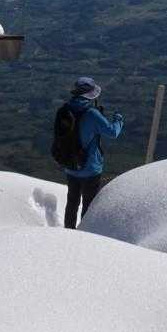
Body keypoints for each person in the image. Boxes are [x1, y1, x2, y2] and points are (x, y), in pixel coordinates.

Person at [56, 76, 124, 229]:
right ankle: (84, 235)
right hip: (90, 168)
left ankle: (68, 231)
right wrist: (118, 119)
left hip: (70, 165)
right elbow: (113, 132)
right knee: (88, 204)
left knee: (72, 201)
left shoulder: (64, 110)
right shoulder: (92, 114)